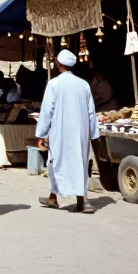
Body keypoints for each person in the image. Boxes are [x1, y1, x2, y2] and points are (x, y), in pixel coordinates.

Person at [37, 49, 100, 214]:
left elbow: (47, 110)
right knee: (78, 163)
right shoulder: (83, 84)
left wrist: (42, 134)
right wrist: (93, 133)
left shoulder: (54, 84)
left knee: (55, 162)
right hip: (79, 133)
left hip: (60, 132)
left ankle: (81, 201)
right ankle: (61, 198)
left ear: (59, 64)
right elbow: (91, 111)